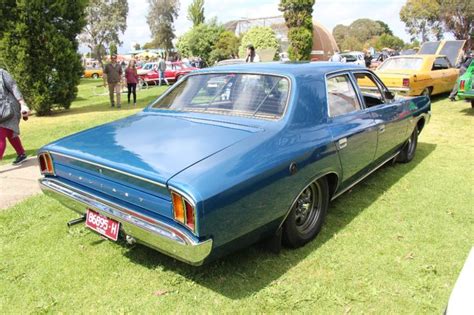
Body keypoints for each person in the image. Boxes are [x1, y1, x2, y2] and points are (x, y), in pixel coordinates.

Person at [0, 68, 30, 165]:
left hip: (9, 108)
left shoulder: (1, 73)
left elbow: (13, 86)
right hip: (1, 110)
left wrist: (23, 104)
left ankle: (21, 154)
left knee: (1, 134)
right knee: (9, 131)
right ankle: (21, 154)